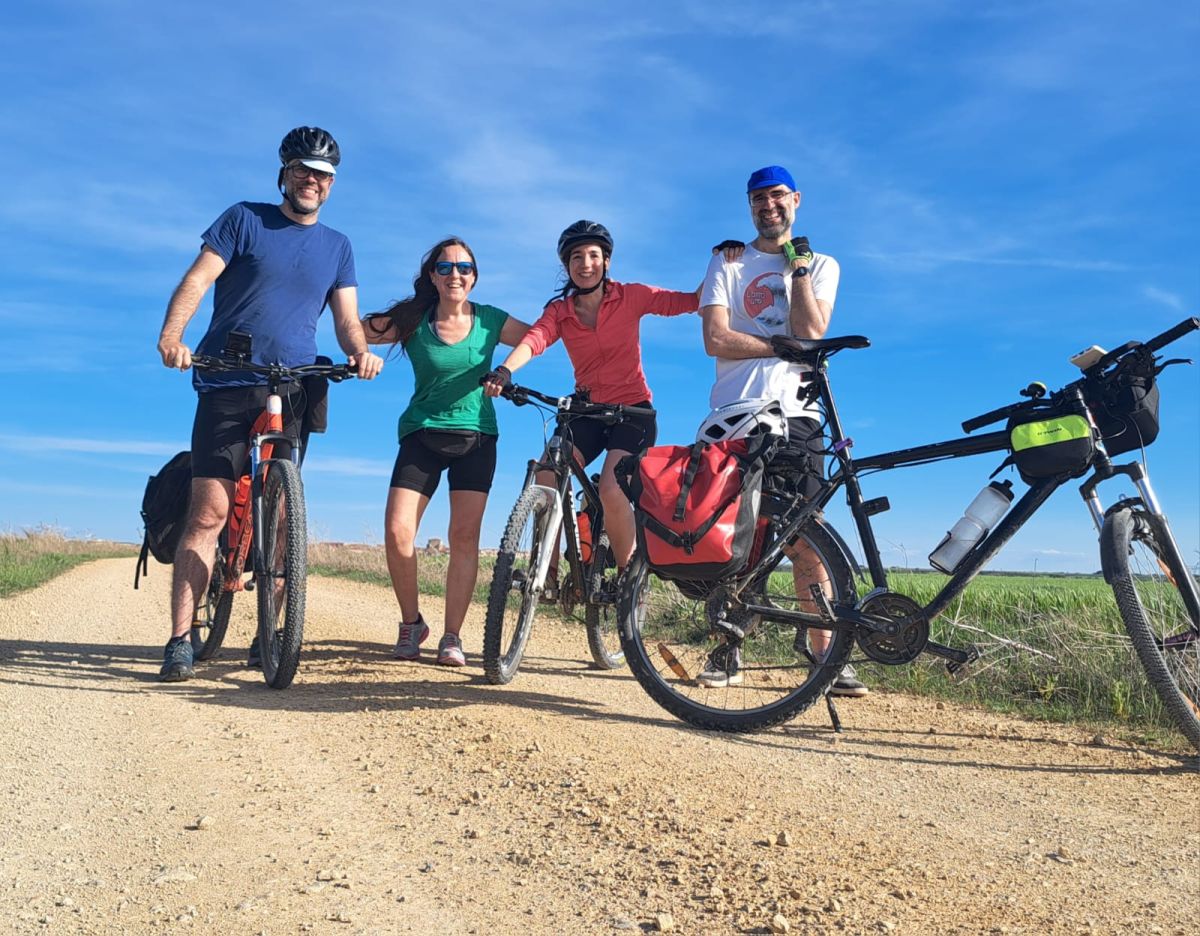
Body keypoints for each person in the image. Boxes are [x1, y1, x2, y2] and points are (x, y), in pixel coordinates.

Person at [155, 126, 384, 682]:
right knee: (208, 511)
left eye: (324, 175)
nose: (313, 181)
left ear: (332, 185)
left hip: (294, 385)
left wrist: (359, 353)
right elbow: (198, 278)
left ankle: (271, 633)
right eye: (304, 170)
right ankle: (181, 639)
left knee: (282, 519)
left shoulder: (338, 246)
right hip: (227, 381)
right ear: (284, 173)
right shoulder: (244, 219)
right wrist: (172, 335)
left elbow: (348, 319)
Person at [698, 165, 867, 698]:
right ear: (748, 206)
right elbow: (716, 339)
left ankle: (826, 655)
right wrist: (780, 348)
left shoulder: (821, 264)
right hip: (734, 412)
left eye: (776, 197)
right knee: (735, 537)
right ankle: (728, 647)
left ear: (795, 200)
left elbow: (812, 332)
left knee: (805, 535)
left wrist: (796, 268)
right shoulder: (727, 260)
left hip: (797, 414)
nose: (767, 206)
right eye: (757, 199)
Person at [482, 221, 702, 585]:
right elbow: (535, 339)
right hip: (588, 411)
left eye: (594, 256)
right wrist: (504, 371)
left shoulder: (632, 295)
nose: (586, 264)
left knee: (612, 487)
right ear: (567, 266)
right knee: (547, 474)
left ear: (607, 261)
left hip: (633, 413)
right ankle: (545, 574)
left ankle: (630, 580)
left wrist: (723, 261)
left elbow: (688, 301)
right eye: (577, 257)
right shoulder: (560, 312)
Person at [363, 238, 529, 666]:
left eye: (464, 267)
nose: (456, 274)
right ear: (432, 276)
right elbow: (358, 328)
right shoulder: (415, 319)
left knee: (464, 538)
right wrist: (359, 350)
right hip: (422, 435)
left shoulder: (491, 320)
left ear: (474, 277)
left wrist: (509, 370)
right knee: (399, 533)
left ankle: (452, 636)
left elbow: (539, 337)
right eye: (446, 267)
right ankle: (411, 623)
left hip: (476, 438)